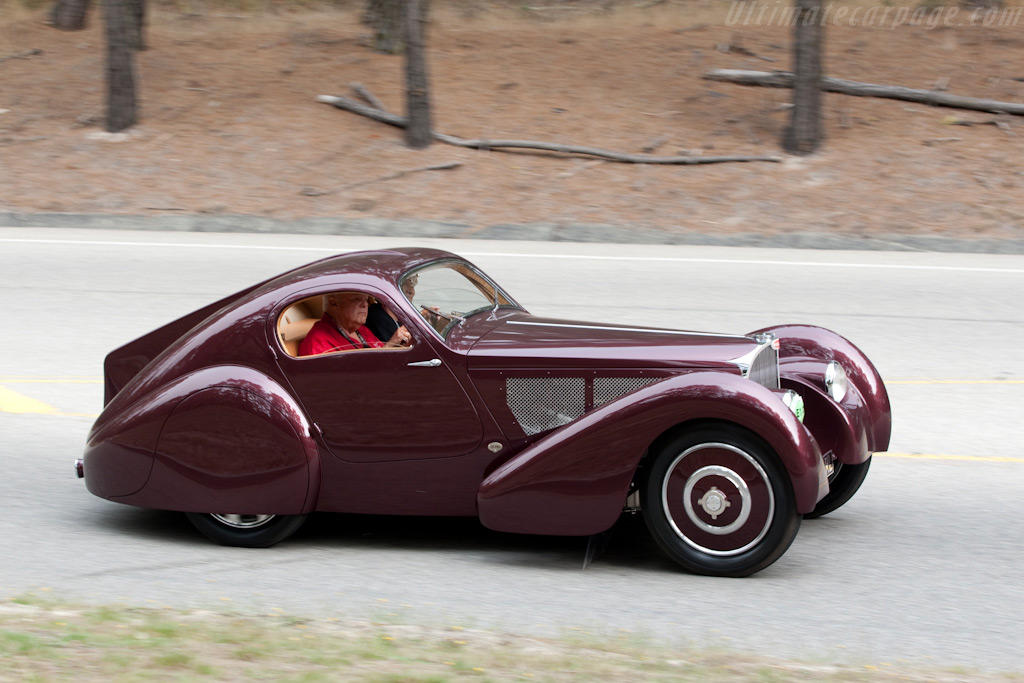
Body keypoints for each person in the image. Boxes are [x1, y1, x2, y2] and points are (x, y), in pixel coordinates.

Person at [299, 291, 411, 356]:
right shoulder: (320, 343)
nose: (365, 304)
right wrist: (388, 347)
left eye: (366, 300)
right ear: (334, 304)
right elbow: (347, 385)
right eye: (357, 299)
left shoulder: (362, 330)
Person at [366, 275, 418, 343]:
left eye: (412, 286)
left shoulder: (403, 316)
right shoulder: (376, 315)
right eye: (404, 284)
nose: (412, 291)